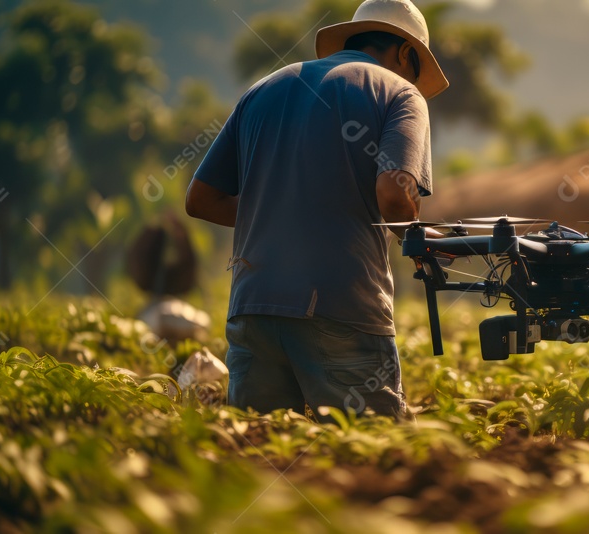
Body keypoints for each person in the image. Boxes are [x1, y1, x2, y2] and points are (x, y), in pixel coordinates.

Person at [185, 0, 448, 421]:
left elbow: (200, 200)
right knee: (370, 452)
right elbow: (394, 195)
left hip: (252, 307)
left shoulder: (263, 88)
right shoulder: (401, 93)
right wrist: (418, 239)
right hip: (340, 307)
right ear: (405, 54)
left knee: (261, 456)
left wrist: (279, 206)